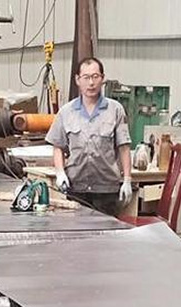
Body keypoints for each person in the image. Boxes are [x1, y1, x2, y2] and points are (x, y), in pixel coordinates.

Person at [45, 57, 133, 216]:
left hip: (107, 190)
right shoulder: (66, 112)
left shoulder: (115, 110)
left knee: (106, 231)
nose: (91, 83)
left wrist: (127, 179)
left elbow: (124, 147)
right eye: (86, 77)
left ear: (102, 78)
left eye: (95, 77)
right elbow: (58, 146)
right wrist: (60, 173)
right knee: (77, 231)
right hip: (76, 188)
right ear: (77, 80)